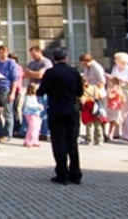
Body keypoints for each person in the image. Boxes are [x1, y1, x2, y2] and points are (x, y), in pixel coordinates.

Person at [37, 47, 84, 185]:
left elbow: (41, 91)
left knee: (58, 142)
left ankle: (62, 173)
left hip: (56, 110)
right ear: (66, 57)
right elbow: (80, 92)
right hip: (71, 109)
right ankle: (75, 174)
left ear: (54, 59)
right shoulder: (74, 72)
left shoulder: (50, 73)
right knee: (72, 142)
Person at [0, 45, 18, 142]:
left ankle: (7, 134)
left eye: (5, 52)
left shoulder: (11, 63)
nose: (3, 54)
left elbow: (15, 79)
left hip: (6, 88)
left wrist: (12, 93)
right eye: (1, 52)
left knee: (7, 112)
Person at [23, 46, 53, 140]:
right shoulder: (32, 63)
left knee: (43, 111)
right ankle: (32, 131)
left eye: (34, 54)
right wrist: (34, 73)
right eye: (31, 54)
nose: (33, 56)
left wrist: (31, 73)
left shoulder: (46, 62)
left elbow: (41, 75)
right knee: (30, 111)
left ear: (39, 52)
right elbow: (25, 75)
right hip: (32, 90)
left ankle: (45, 132)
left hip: (42, 89)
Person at [109, 52, 128, 142]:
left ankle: (127, 135)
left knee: (126, 115)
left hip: (126, 92)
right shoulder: (115, 68)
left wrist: (124, 80)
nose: (114, 60)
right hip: (116, 92)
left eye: (116, 59)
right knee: (115, 112)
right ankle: (115, 133)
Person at [80, 82, 106, 146]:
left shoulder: (82, 89)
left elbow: (82, 101)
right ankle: (99, 140)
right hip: (96, 107)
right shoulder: (94, 87)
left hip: (88, 108)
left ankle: (89, 140)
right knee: (98, 124)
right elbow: (100, 96)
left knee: (89, 125)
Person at [23, 84, 43, 148]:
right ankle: (28, 141)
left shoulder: (34, 97)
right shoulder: (28, 97)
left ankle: (35, 141)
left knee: (37, 128)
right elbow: (28, 105)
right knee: (32, 128)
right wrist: (37, 106)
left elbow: (35, 104)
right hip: (30, 114)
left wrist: (39, 106)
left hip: (36, 114)